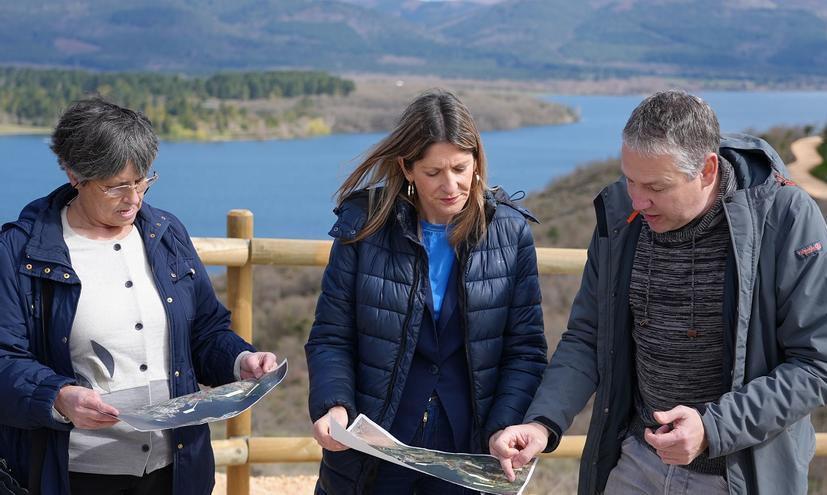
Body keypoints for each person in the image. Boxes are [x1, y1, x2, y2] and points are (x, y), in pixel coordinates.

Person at [490, 90, 827, 494]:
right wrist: (542, 423)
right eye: (630, 180)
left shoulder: (784, 218)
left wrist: (713, 428)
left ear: (707, 170)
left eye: (656, 187)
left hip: (736, 475)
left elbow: (819, 365)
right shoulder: (623, 216)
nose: (638, 200)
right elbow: (589, 338)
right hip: (634, 462)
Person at [0, 96, 277, 495]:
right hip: (74, 473)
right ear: (74, 174)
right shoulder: (20, 251)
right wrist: (57, 397)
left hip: (176, 469)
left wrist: (239, 360)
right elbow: (5, 359)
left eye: (143, 180)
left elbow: (204, 332)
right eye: (117, 186)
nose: (134, 198)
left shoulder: (167, 233)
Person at [305, 89, 547, 494]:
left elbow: (525, 350)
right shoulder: (363, 226)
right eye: (434, 172)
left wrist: (504, 426)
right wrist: (334, 404)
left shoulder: (510, 231)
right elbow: (331, 335)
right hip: (371, 452)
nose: (451, 185)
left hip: (471, 450)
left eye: (460, 168)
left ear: (477, 161)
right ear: (407, 167)